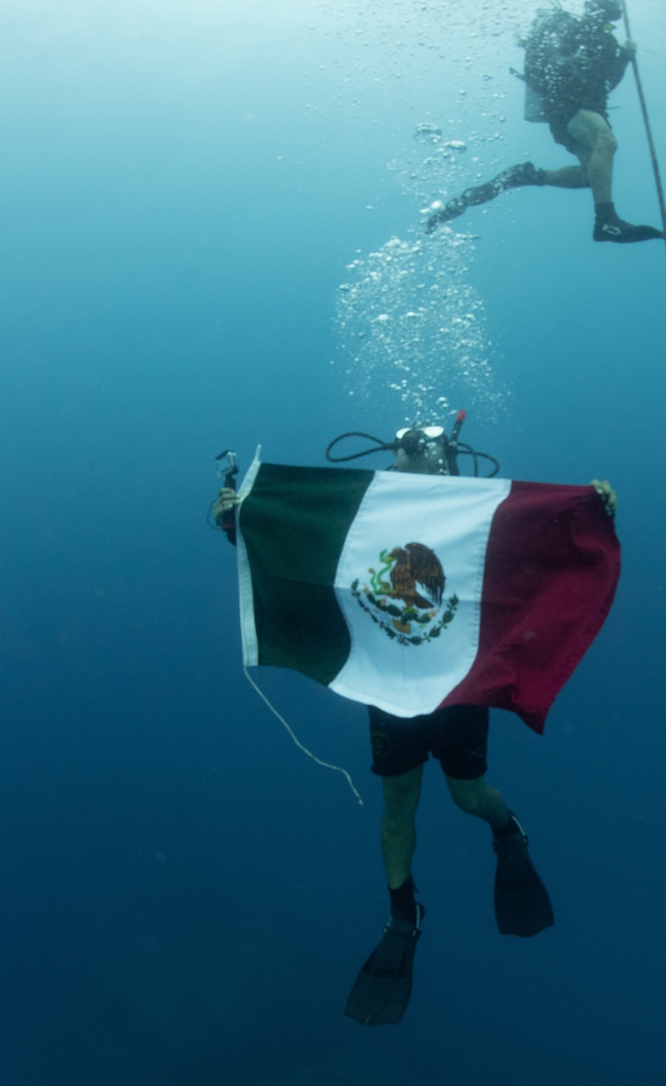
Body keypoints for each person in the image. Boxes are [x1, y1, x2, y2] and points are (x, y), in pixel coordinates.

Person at [213, 422, 619, 1026]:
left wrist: (590, 510)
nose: (416, 455)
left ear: (447, 457)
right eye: (408, 447)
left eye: (427, 447)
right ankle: (403, 910)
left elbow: (545, 553)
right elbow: (304, 547)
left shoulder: (482, 516)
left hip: (458, 687)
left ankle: (506, 831)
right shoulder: (370, 510)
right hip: (388, 684)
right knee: (397, 800)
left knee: (466, 796)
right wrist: (240, 522)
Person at [426, 0, 665, 245]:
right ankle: (606, 220)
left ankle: (529, 176)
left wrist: (625, 59)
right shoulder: (566, 26)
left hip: (590, 109)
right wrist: (567, 61)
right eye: (603, 15)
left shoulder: (607, 43)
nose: (605, 22)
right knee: (606, 142)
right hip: (565, 105)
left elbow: (607, 83)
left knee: (590, 176)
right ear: (590, 8)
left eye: (610, 19)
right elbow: (545, 57)